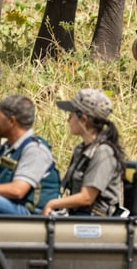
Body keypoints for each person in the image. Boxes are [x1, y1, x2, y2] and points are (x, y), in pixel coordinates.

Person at [42, 89, 125, 217]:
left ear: (84, 119)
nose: (68, 120)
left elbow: (87, 198)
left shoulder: (103, 153)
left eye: (71, 115)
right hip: (78, 214)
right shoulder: (82, 149)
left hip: (93, 220)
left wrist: (52, 204)